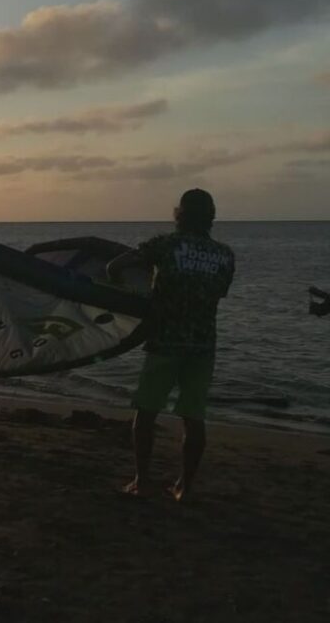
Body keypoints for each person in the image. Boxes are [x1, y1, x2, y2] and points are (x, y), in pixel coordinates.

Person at [107, 188, 235, 502]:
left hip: (164, 342)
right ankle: (185, 487)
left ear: (179, 214)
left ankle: (141, 481)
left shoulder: (165, 245)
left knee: (146, 414)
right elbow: (218, 293)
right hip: (202, 346)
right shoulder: (225, 255)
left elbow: (114, 266)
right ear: (211, 217)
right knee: (194, 417)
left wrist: (127, 293)